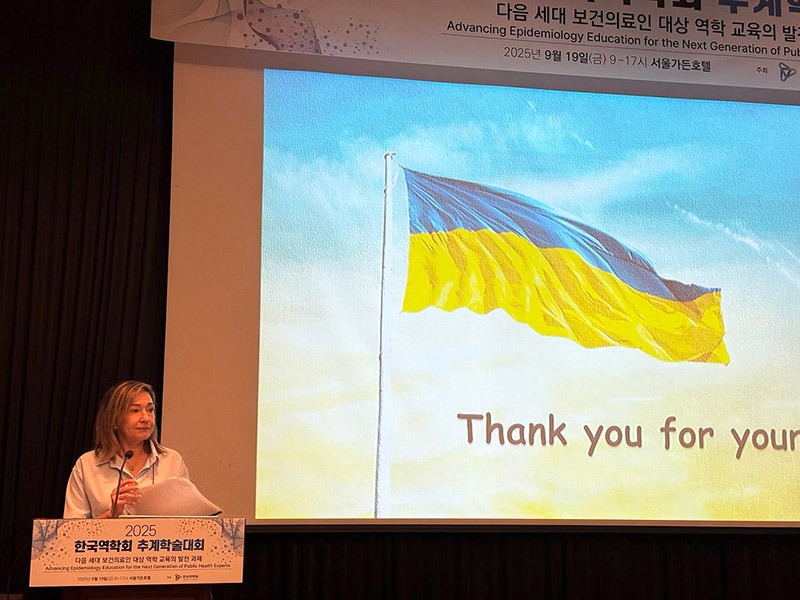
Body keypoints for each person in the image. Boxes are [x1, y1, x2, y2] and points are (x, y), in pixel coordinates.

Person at [63, 380, 190, 518]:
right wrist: (110, 514)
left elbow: (186, 522)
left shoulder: (172, 462)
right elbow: (71, 529)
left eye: (150, 410)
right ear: (114, 419)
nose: (146, 418)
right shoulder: (87, 465)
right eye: (135, 410)